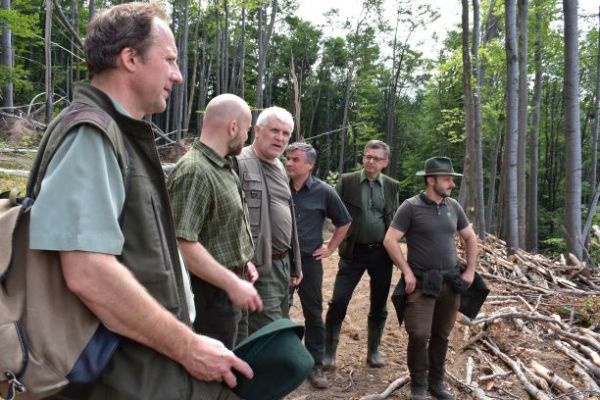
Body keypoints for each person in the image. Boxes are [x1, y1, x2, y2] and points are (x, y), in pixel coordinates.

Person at [28, 3, 251, 399]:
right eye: (169, 60)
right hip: (118, 373)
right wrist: (188, 346)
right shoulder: (92, 134)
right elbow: (88, 272)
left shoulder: (117, 134)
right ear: (129, 58)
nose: (178, 76)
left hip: (139, 363)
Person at [167, 94, 263, 349]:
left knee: (235, 365)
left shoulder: (220, 166)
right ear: (233, 127)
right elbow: (182, 244)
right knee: (214, 377)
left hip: (230, 289)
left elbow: (218, 228)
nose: (246, 136)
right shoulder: (195, 170)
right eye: (246, 129)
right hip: (209, 297)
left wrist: (243, 262)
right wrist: (231, 282)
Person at [383, 156, 478, 400]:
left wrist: (469, 272)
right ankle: (418, 385)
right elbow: (390, 240)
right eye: (447, 179)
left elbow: (470, 237)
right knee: (419, 334)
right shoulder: (411, 207)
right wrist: (406, 271)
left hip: (450, 283)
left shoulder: (453, 207)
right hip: (422, 283)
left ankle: (436, 384)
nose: (452, 184)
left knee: (442, 335)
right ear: (431, 180)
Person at [323, 140, 400, 370]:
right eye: (367, 156)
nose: (370, 161)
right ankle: (329, 353)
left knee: (379, 303)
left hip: (381, 253)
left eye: (376, 158)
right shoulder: (347, 182)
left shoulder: (391, 186)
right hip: (353, 251)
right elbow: (333, 210)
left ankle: (373, 351)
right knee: (338, 300)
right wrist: (334, 236)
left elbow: (394, 218)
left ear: (385, 162)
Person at [285, 142, 351, 389]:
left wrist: (331, 247)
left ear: (310, 165)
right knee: (280, 312)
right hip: (281, 259)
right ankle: (284, 362)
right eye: (288, 158)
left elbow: (344, 222)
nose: (289, 163)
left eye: (295, 160)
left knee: (313, 313)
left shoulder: (324, 191)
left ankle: (315, 365)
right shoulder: (279, 185)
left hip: (310, 262)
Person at [235, 106, 302, 343]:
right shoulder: (238, 162)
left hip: (282, 266)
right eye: (275, 130)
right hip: (257, 269)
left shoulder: (280, 166)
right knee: (270, 336)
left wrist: (295, 264)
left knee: (279, 324)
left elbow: (289, 217)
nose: (280, 138)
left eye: (286, 133)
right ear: (258, 130)